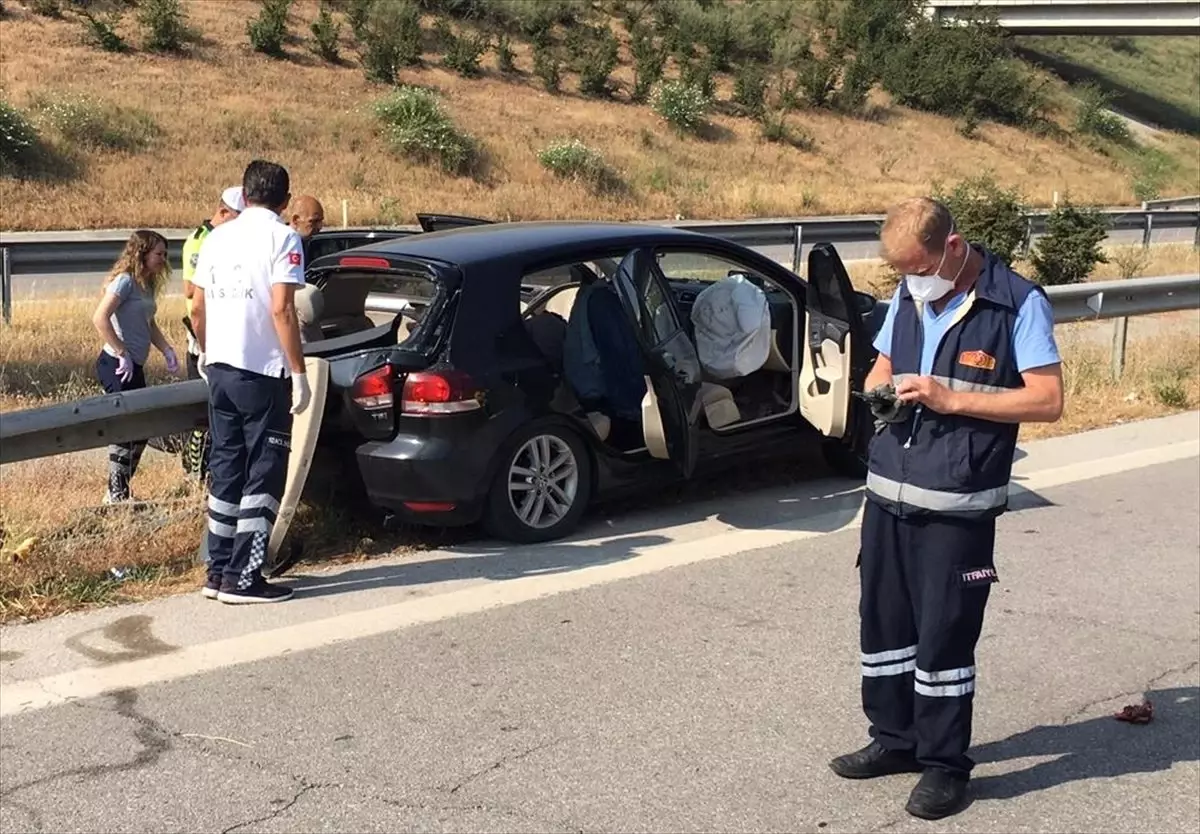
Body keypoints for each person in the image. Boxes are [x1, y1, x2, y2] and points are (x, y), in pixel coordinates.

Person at [829, 197, 1064, 820]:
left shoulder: (1017, 303)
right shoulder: (908, 293)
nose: (913, 282)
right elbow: (884, 358)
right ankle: (894, 740)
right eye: (903, 272)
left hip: (958, 503)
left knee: (943, 639)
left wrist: (948, 397)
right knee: (883, 629)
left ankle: (944, 766)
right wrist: (880, 389)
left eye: (920, 268)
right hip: (888, 494)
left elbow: (1046, 401)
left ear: (953, 247)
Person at [189, 159, 311, 605]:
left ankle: (218, 570)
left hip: (219, 368)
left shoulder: (217, 237)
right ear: (285, 198)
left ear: (245, 193)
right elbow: (282, 309)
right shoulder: (283, 237)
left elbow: (197, 307)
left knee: (226, 468)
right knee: (264, 471)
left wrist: (205, 351)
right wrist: (299, 374)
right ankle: (245, 577)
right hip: (262, 371)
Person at [90, 230, 180, 503]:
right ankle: (116, 492)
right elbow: (99, 318)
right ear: (141, 254)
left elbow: (148, 323)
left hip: (135, 366)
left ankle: (118, 488)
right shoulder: (125, 281)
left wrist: (166, 349)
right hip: (116, 365)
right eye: (158, 254)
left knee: (141, 430)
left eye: (165, 254)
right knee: (126, 428)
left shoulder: (147, 284)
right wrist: (121, 352)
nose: (163, 260)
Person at [181, 186, 245, 379]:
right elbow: (190, 290)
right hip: (204, 337)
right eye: (239, 217)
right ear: (224, 212)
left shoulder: (232, 239)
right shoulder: (200, 241)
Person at [287, 194, 325, 261]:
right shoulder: (285, 245)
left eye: (321, 221)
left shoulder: (313, 245)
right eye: (314, 221)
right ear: (296, 220)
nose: (320, 226)